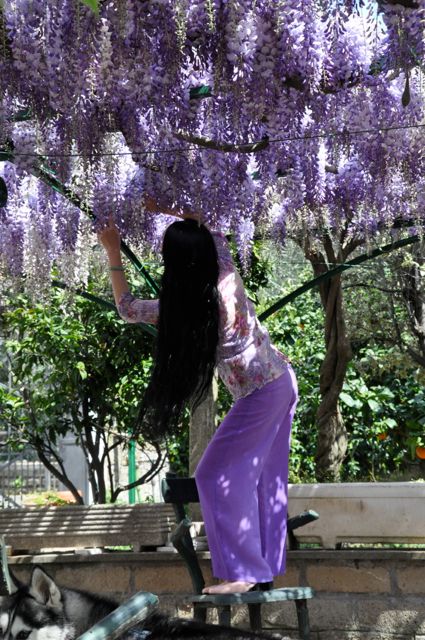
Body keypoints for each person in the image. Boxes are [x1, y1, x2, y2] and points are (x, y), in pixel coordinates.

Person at [98, 204, 298, 595]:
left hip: (260, 392)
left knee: (213, 475)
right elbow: (214, 222)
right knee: (263, 479)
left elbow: (127, 308)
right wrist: (164, 207)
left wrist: (113, 250)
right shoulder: (226, 280)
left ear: (173, 266)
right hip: (282, 381)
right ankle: (264, 569)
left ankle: (243, 573)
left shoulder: (181, 309)